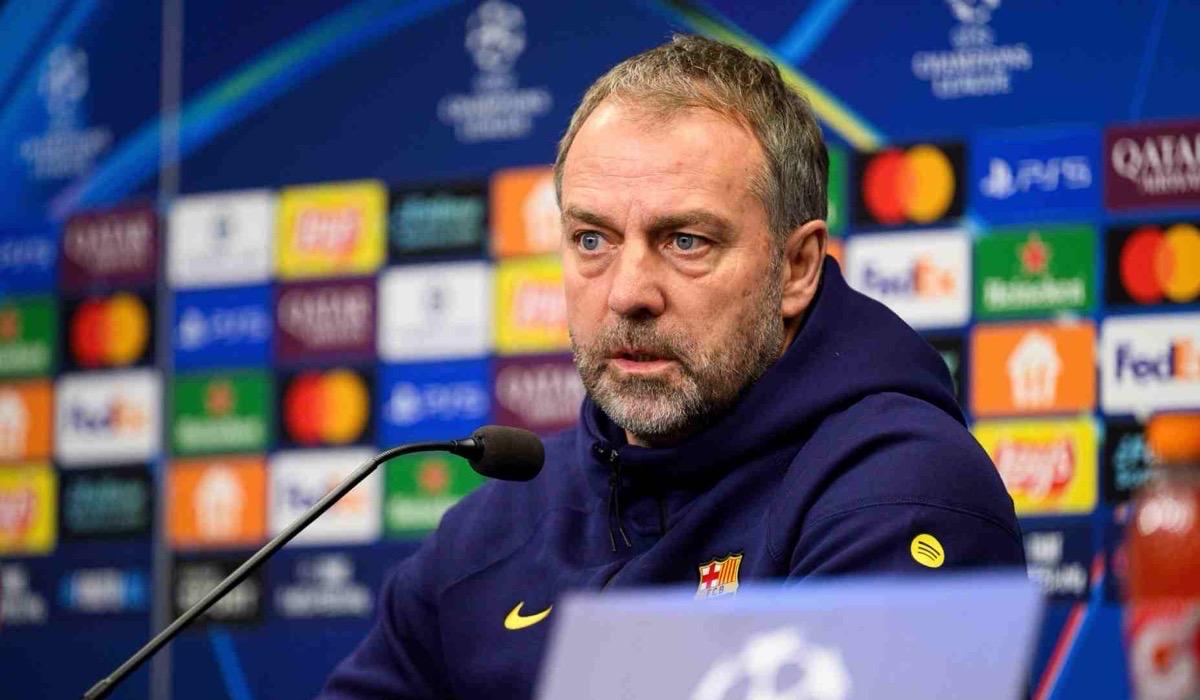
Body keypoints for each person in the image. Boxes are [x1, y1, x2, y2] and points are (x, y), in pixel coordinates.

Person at [319, 34, 1023, 699]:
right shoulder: (491, 531)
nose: (628, 293)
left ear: (797, 267)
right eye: (592, 239)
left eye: (685, 241)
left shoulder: (901, 491)